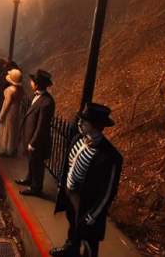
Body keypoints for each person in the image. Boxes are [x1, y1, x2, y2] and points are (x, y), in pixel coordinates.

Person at [50, 103, 123, 257]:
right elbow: (67, 165)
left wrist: (92, 215)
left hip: (87, 203)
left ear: (95, 125)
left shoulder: (110, 156)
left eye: (84, 121)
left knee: (88, 239)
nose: (79, 123)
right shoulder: (78, 138)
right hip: (71, 193)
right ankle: (71, 248)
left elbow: (108, 192)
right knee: (72, 225)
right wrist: (63, 186)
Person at [16, 69, 55, 197]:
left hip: (37, 140)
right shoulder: (36, 96)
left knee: (37, 163)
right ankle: (29, 178)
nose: (30, 83)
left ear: (37, 85)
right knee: (31, 160)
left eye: (32, 82)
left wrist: (33, 142)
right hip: (30, 135)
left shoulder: (47, 102)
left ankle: (36, 187)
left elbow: (42, 126)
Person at [0, 69, 24, 157]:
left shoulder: (10, 90)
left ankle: (5, 148)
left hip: (10, 111)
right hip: (17, 110)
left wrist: (1, 114)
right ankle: (12, 148)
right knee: (13, 129)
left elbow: (6, 104)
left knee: (6, 129)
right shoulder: (20, 90)